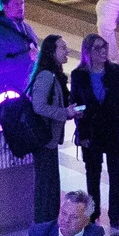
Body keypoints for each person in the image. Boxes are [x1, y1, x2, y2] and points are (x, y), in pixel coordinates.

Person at [71, 34, 119, 230]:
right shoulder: (78, 75)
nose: (103, 51)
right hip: (92, 131)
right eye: (98, 48)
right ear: (88, 52)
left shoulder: (115, 72)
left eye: (105, 47)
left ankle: (115, 215)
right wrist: (82, 134)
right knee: (93, 173)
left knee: (116, 173)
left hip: (114, 129)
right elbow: (76, 105)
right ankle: (93, 213)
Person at [21, 32, 74, 223]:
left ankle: (49, 221)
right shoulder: (46, 76)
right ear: (51, 52)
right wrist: (64, 113)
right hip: (44, 140)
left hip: (48, 140)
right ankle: (45, 223)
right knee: (46, 185)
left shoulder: (53, 74)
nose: (67, 50)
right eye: (62, 47)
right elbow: (39, 106)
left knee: (50, 184)